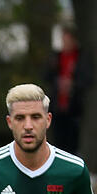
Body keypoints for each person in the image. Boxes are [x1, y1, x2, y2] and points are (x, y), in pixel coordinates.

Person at [44, 25, 93, 155]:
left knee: (72, 142)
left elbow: (88, 79)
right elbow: (46, 76)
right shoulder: (56, 57)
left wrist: (73, 85)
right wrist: (58, 82)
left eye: (67, 40)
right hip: (57, 105)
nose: (65, 43)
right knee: (57, 141)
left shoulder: (81, 57)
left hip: (74, 107)